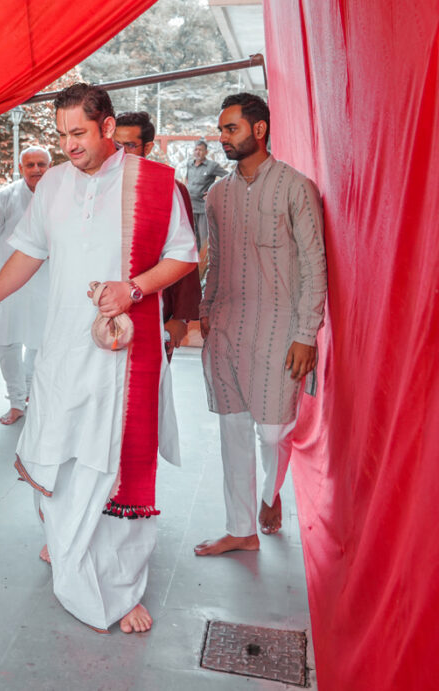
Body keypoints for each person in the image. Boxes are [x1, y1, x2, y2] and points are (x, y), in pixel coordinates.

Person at [0, 84, 197, 634]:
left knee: (112, 459)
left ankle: (116, 585)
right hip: (63, 350)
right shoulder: (54, 186)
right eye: (62, 133)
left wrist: (135, 289)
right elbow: (28, 250)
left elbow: (184, 256)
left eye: (78, 133)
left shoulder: (155, 183)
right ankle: (68, 549)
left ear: (108, 128)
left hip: (122, 354)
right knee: (63, 451)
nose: (68, 145)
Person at [195, 93, 327, 556]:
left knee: (272, 430)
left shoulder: (296, 187)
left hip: (279, 330)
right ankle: (240, 529)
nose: (222, 137)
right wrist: (205, 313)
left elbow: (314, 264)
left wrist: (305, 334)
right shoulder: (216, 194)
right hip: (226, 328)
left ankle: (271, 495)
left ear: (259, 130)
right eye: (221, 129)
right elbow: (214, 261)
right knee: (232, 432)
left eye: (230, 128)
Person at [0, 146, 51, 424]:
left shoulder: (59, 198)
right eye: (30, 165)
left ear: (50, 167)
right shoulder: (4, 198)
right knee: (8, 342)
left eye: (42, 164)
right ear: (20, 168)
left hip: (46, 281)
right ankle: (16, 402)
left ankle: (26, 390)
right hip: (6, 282)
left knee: (41, 340)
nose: (36, 169)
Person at [114, 112, 201, 361]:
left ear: (148, 147)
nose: (121, 153)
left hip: (155, 312)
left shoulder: (170, 189)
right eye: (116, 145)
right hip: (106, 311)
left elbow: (185, 256)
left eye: (130, 145)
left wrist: (180, 319)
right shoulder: (98, 187)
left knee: (148, 392)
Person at [185, 140, 229, 275]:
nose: (197, 152)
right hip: (190, 207)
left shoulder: (211, 166)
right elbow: (187, 179)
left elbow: (228, 177)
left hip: (203, 208)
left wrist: (213, 191)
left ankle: (206, 270)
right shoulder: (190, 164)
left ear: (206, 152)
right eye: (195, 149)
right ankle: (194, 268)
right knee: (192, 238)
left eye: (200, 150)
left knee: (205, 239)